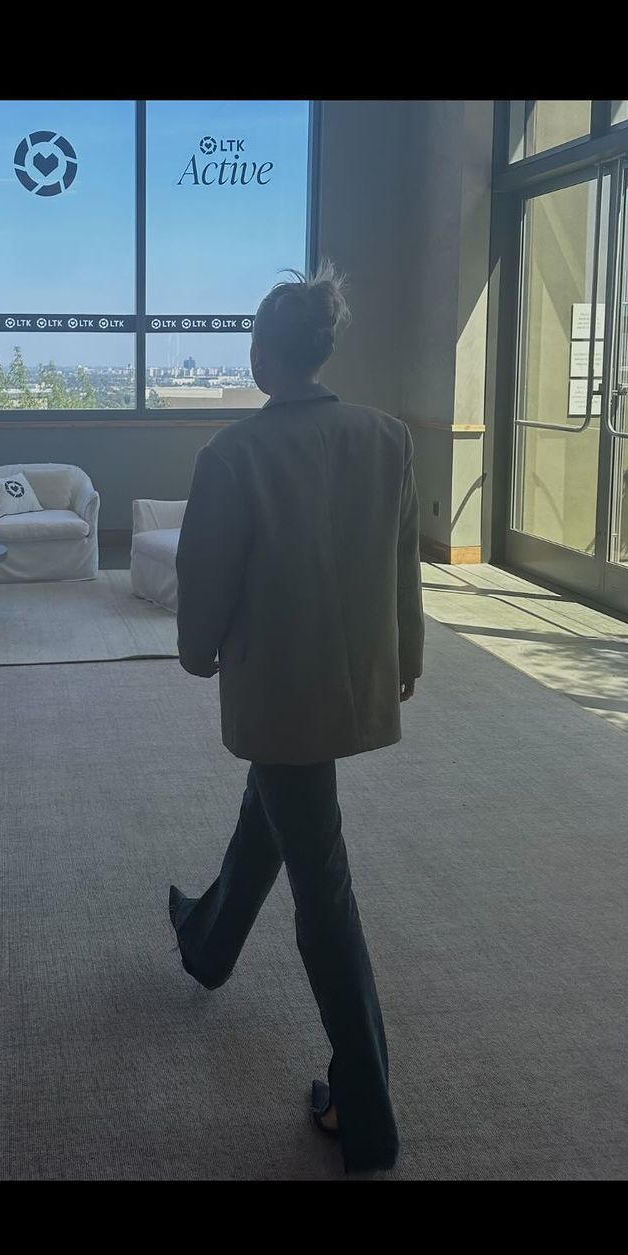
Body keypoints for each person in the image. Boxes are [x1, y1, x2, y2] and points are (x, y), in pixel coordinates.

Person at [169, 262, 423, 1175]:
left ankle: (366, 1110)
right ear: (322, 351)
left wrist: (197, 649)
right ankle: (207, 940)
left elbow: (206, 572)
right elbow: (403, 559)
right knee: (276, 807)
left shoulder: (231, 454)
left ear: (261, 356)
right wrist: (408, 651)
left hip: (278, 689)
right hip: (348, 677)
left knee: (324, 888)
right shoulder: (387, 436)